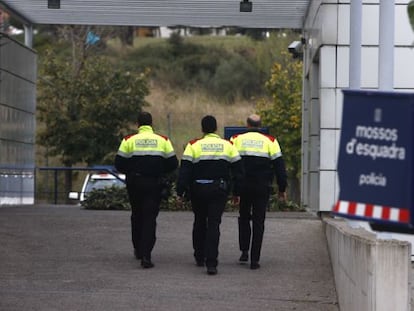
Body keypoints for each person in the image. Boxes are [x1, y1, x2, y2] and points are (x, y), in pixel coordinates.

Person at [176, 115, 244, 275]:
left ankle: (199, 256)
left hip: (198, 189)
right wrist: (237, 192)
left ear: (202, 129)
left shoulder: (193, 145)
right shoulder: (227, 145)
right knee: (214, 224)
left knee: (199, 221)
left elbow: (184, 171)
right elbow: (239, 171)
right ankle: (211, 263)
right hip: (218, 190)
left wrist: (180, 192)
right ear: (216, 128)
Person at [115, 111, 178, 269]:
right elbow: (173, 164)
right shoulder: (163, 140)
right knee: (150, 218)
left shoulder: (128, 140)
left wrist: (131, 170)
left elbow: (119, 164)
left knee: (136, 215)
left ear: (138, 124)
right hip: (154, 183)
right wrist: (160, 170)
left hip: (135, 182)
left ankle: (137, 248)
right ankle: (146, 255)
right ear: (151, 124)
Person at [230, 114, 287, 270]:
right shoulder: (271, 141)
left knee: (243, 218)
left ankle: (244, 251)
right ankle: (255, 260)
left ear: (247, 124)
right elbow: (279, 167)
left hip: (243, 186)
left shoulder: (236, 139)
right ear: (260, 125)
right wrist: (282, 188)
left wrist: (234, 191)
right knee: (258, 222)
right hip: (262, 187)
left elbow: (232, 167)